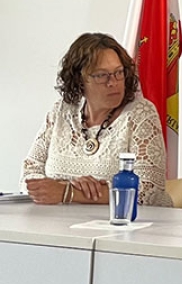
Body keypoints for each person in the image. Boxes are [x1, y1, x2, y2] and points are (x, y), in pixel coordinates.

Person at [21, 32, 172, 207]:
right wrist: (57, 189)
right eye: (101, 75)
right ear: (79, 80)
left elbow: (147, 192)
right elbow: (29, 171)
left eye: (118, 72)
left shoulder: (140, 114)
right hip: (61, 225)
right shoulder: (61, 111)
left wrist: (69, 192)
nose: (113, 82)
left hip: (128, 226)